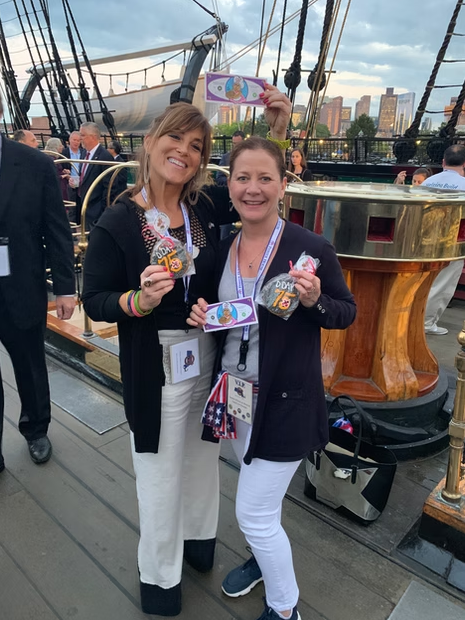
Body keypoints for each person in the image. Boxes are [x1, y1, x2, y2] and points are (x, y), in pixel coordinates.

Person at [82, 85, 290, 616]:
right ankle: (160, 579)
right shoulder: (118, 221)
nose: (185, 151)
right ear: (151, 141)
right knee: (158, 473)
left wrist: (278, 131)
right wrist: (138, 300)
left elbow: (258, 186)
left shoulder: (202, 205)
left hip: (208, 353)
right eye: (175, 138)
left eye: (197, 146)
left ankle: (199, 545)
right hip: (156, 362)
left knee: (202, 459)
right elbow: (96, 297)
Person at [188, 136, 356, 620]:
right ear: (230, 185)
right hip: (235, 395)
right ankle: (262, 561)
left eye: (265, 178)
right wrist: (200, 312)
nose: (253, 188)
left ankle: (285, 610)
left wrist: (314, 301)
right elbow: (213, 308)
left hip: (286, 400)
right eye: (243, 177)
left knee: (254, 513)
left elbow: (345, 312)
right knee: (257, 494)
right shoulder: (224, 246)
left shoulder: (309, 248)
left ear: (284, 185)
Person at [0, 93, 75, 473]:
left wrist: (65, 287)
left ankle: (36, 429)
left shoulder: (34, 164)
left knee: (30, 365)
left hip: (21, 285)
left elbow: (56, 229)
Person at [421, 145, 465, 335]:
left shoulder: (427, 182)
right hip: (453, 242)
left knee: (422, 282)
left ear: (443, 162)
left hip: (425, 240)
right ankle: (427, 324)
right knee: (442, 286)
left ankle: (412, 319)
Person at [78, 122, 114, 228]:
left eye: (82, 135)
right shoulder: (83, 153)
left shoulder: (105, 156)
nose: (80, 138)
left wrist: (103, 212)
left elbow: (110, 187)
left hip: (97, 211)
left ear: (93, 137)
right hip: (85, 208)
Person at [62, 131, 86, 221]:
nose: (76, 142)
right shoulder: (64, 153)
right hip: (69, 183)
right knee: (71, 207)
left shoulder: (84, 153)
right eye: (74, 140)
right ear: (69, 140)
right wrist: (65, 173)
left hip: (82, 182)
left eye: (78, 140)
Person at [45, 137, 70, 202]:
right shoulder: (52, 160)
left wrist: (63, 172)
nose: (62, 147)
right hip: (58, 189)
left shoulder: (53, 159)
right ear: (55, 147)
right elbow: (51, 175)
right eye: (60, 145)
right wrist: (64, 176)